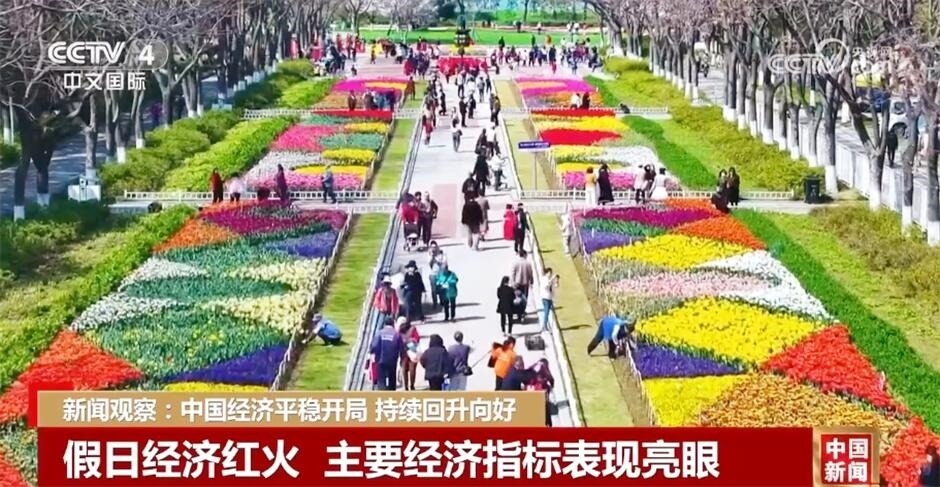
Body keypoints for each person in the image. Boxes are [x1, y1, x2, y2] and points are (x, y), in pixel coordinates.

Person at [370, 317, 404, 391]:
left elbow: (375, 345)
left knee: (381, 378)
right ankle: (391, 392)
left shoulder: (379, 333)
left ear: (384, 324)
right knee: (392, 377)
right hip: (392, 360)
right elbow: (401, 348)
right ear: (393, 324)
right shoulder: (396, 334)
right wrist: (402, 359)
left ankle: (382, 392)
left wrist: (372, 353)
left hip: (381, 360)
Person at [527, 358, 555, 426]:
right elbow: (551, 380)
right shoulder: (546, 371)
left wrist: (535, 364)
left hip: (535, 391)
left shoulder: (534, 370)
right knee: (546, 408)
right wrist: (551, 386)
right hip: (542, 392)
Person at [398, 318, 421, 390]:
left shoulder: (399, 331)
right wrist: (412, 341)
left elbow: (397, 341)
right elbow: (417, 338)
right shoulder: (413, 329)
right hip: (412, 350)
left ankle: (406, 386)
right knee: (412, 369)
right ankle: (412, 386)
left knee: (404, 369)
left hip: (404, 351)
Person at [539, 268, 559, 332]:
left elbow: (555, 286)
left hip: (550, 297)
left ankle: (544, 325)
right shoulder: (544, 279)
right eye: (549, 273)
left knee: (546, 312)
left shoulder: (550, 280)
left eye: (551, 273)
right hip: (545, 297)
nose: (550, 274)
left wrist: (557, 281)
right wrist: (552, 279)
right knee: (546, 312)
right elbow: (546, 286)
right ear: (546, 273)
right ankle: (545, 326)